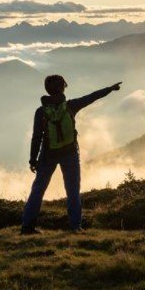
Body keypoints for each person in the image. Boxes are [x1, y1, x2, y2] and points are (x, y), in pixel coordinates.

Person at [20, 75, 122, 234]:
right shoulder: (71, 106)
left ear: (47, 90)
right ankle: (75, 226)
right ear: (63, 88)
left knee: (38, 189)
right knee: (73, 190)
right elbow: (91, 97)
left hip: (48, 154)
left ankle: (27, 226)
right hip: (69, 153)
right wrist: (110, 89)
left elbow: (36, 137)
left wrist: (33, 159)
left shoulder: (41, 112)